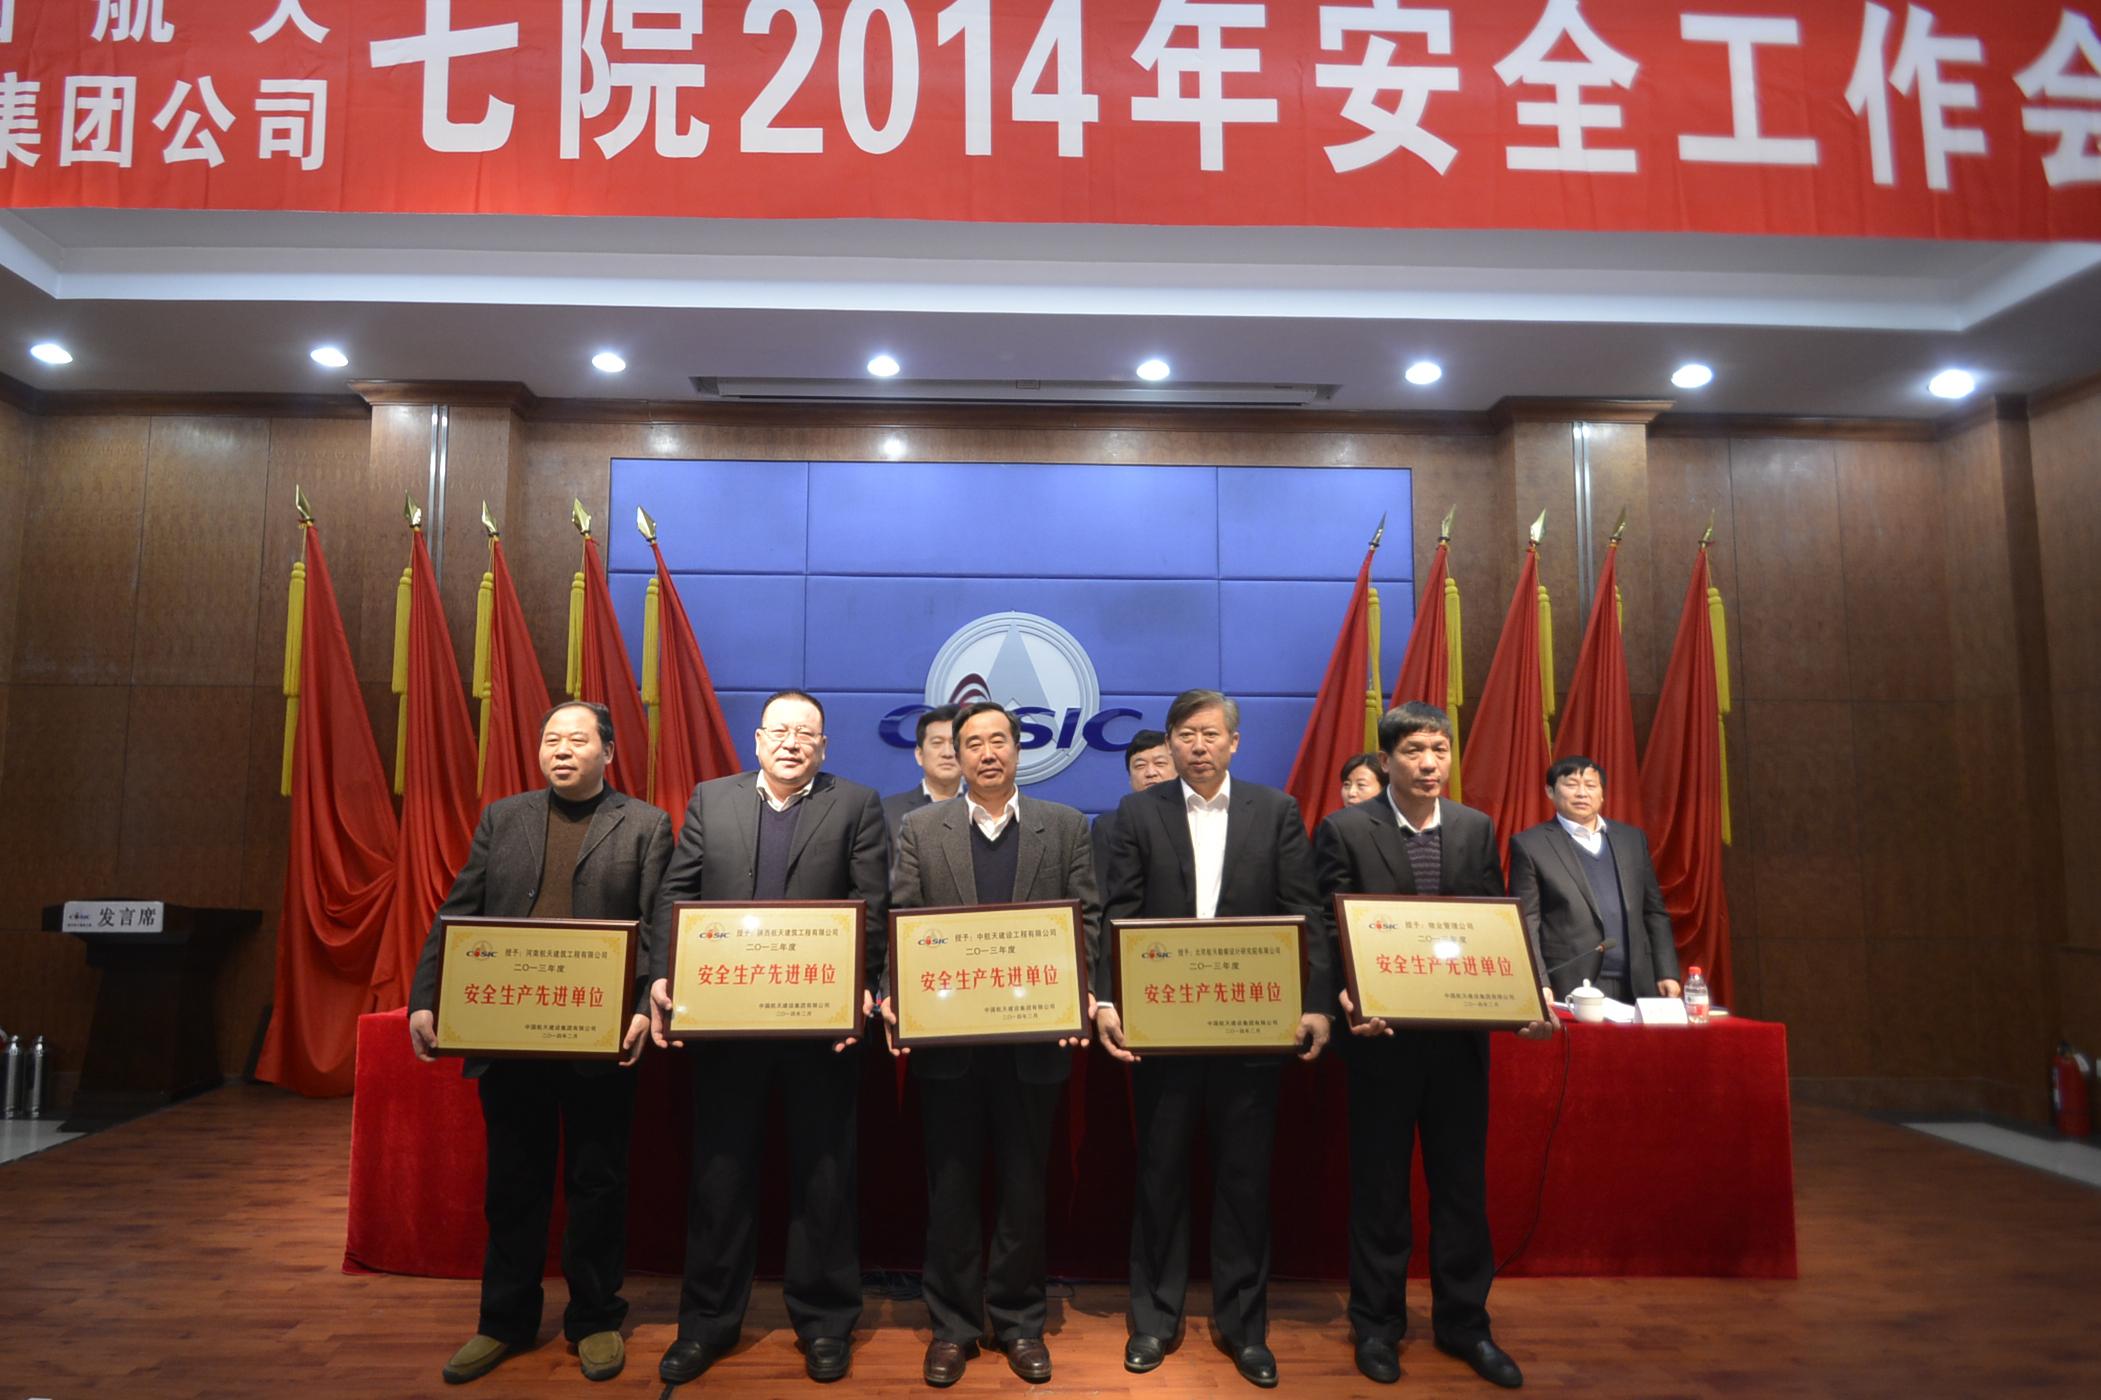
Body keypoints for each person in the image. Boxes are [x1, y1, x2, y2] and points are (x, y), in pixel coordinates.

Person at [407, 701, 672, 1386]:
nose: (561, 750)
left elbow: (657, 928)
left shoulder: (645, 825)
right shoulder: (504, 817)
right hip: (511, 1037)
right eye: (551, 739)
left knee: (597, 1184)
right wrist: (427, 996)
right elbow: (459, 912)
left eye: (577, 740)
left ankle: (595, 1319)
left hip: (599, 1040)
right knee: (514, 1184)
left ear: (607, 752)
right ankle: (504, 1321)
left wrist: (642, 1006)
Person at [647, 690, 890, 1387]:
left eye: (805, 733)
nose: (791, 742)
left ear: (823, 746)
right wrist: (664, 974)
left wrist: (861, 987)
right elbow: (677, 895)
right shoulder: (712, 799)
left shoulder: (855, 804)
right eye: (779, 730)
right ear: (756, 740)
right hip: (726, 1026)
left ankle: (825, 1323)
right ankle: (707, 1324)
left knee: (825, 1178)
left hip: (819, 1029)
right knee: (719, 1179)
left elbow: (871, 905)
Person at [1094, 689, 1331, 1390]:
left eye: (1210, 734)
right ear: (1168, 745)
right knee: (1159, 1177)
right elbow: (1117, 914)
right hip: (1163, 1030)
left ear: (1234, 742)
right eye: (1185, 735)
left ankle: (1243, 1327)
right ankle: (1153, 1319)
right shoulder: (1138, 813)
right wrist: (1106, 999)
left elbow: (1304, 913)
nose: (1197, 746)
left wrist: (1316, 1005)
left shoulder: (1275, 810)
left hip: (1251, 1028)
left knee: (1244, 1182)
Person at [1313, 702, 1553, 1390]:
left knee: (1460, 1187)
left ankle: (1465, 1323)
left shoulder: (1474, 827)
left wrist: (1525, 996)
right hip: (1380, 1041)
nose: (1428, 764)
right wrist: (1344, 995)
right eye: (1414, 751)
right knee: (1381, 1188)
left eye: (1439, 751)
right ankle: (1376, 1325)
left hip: (1457, 1043)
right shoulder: (1345, 829)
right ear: (1385, 759)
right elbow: (1328, 925)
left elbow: (1493, 924)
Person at [882, 701, 1099, 1388]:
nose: (986, 753)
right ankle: (952, 1326)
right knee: (949, 1188)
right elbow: (902, 920)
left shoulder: (1064, 826)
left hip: (1034, 1042)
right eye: (971, 742)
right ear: (955, 753)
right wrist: (893, 991)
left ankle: (1018, 1321)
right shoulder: (921, 829)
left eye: (998, 740)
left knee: (1023, 1188)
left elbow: (1087, 923)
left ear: (1018, 747)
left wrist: (1079, 995)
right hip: (948, 1042)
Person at [1508, 756, 1682, 1004]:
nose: (1582, 793)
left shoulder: (1631, 840)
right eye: (1571, 784)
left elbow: (1653, 911)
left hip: (1637, 981)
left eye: (1591, 785)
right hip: (1570, 982)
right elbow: (1527, 921)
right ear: (1550, 791)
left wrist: (1666, 971)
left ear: (1602, 794)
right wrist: (1539, 981)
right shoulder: (1530, 845)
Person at [1091, 727, 1173, 883]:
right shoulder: (1108, 827)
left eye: (1160, 763)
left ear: (1179, 771)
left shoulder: (1194, 816)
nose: (1150, 772)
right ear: (1130, 778)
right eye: (1140, 766)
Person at [881, 704, 962, 835]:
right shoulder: (888, 811)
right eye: (937, 743)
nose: (947, 753)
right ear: (919, 755)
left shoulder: (985, 808)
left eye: (955, 744)